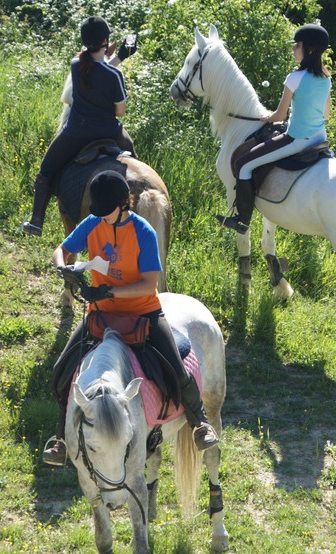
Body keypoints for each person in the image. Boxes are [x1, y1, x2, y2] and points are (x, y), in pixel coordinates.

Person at [42, 170, 219, 467]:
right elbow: (62, 249)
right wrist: (64, 269)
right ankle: (60, 439)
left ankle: (200, 423)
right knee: (61, 373)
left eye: (106, 211)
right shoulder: (93, 223)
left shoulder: (144, 233)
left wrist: (108, 290)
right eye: (97, 212)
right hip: (100, 315)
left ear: (124, 203)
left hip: (143, 313)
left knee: (176, 369)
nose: (101, 217)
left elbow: (149, 284)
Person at [21, 16, 138, 237]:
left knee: (46, 172)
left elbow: (95, 69)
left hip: (76, 133)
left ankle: (36, 220)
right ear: (106, 40)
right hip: (110, 131)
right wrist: (122, 56)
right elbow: (120, 111)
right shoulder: (115, 75)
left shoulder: (76, 65)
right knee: (134, 157)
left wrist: (119, 57)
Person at [216, 23, 331, 234]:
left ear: (310, 50)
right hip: (320, 139)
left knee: (243, 164)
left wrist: (266, 117)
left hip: (297, 140)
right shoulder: (326, 79)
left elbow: (278, 115)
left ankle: (241, 220)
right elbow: (325, 115)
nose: (294, 50)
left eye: (298, 45)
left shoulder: (294, 79)